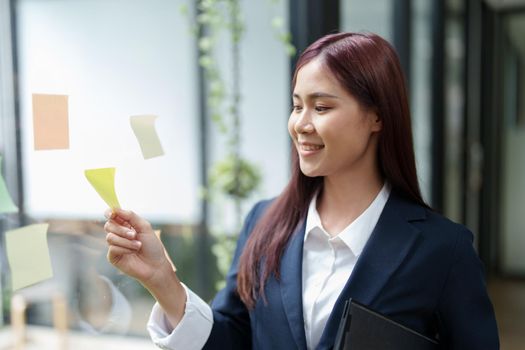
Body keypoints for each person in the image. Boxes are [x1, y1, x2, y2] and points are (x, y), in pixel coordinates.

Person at [103, 32, 499, 349]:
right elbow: (232, 339)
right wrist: (162, 282)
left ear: (377, 116)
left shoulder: (442, 249)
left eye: (322, 107)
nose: (301, 124)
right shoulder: (264, 221)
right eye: (297, 106)